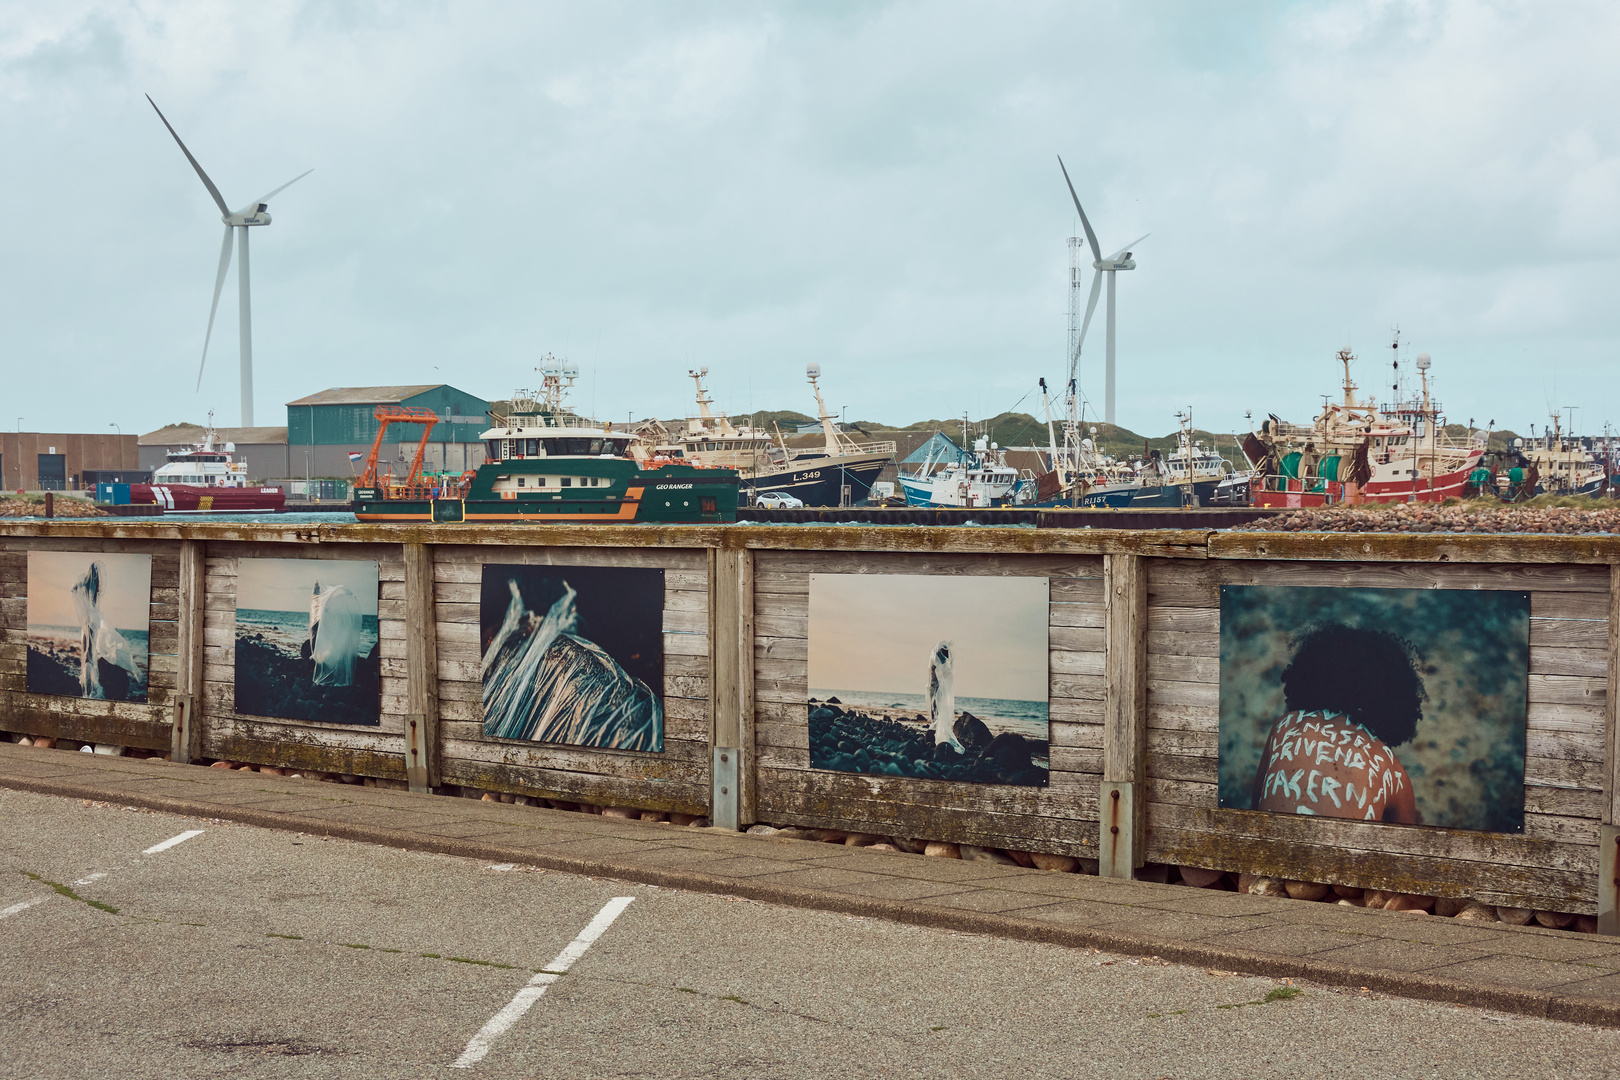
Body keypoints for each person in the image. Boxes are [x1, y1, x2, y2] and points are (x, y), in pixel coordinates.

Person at [1249, 624, 1421, 824]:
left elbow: (1256, 805)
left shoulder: (1285, 727)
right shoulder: (1393, 772)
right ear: (1394, 701)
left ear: (1310, 675)